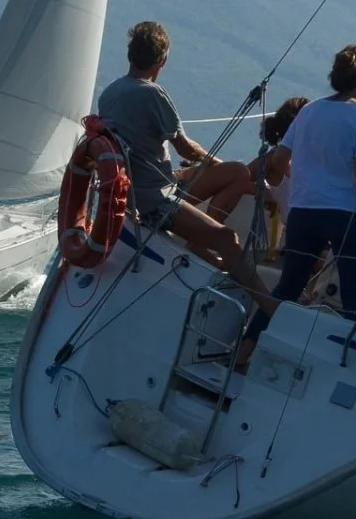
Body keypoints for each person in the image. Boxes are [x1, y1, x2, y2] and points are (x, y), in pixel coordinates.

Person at [95, 21, 273, 312]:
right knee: (229, 239)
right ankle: (271, 308)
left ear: (130, 55)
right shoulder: (151, 93)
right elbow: (184, 147)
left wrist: (218, 167)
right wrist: (213, 161)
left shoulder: (110, 93)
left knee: (236, 171)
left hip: (141, 188)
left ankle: (202, 239)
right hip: (156, 201)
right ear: (162, 61)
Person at [246, 46, 356, 342]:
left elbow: (278, 160)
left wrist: (306, 182)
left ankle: (247, 349)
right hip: (347, 215)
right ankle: (348, 361)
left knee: (287, 287)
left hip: (304, 211)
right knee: (354, 296)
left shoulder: (309, 112)